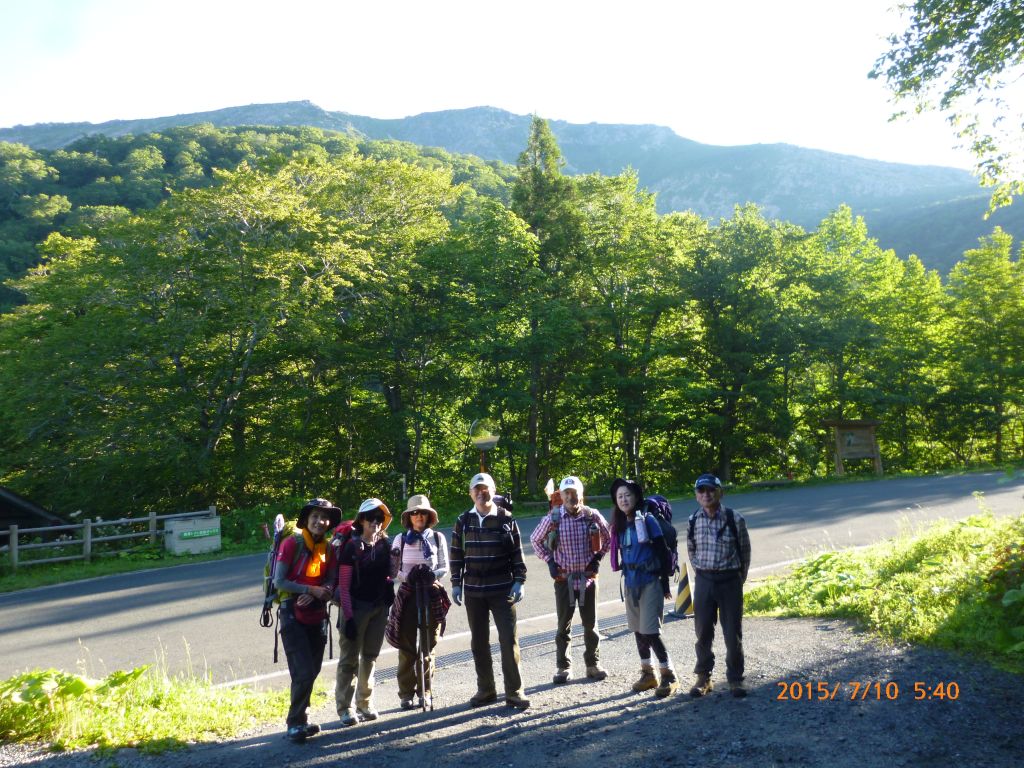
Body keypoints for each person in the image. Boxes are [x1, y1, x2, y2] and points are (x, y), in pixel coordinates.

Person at [449, 471, 531, 710]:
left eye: (486, 488)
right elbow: (456, 555)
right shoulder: (463, 521)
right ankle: (486, 689)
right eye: (477, 489)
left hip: (503, 589)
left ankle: (514, 692)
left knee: (508, 640)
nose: (481, 492)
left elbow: (517, 553)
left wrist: (520, 581)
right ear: (470, 493)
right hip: (474, 590)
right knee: (479, 643)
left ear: (493, 492)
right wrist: (456, 583)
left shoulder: (506, 519)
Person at [530, 475, 611, 684]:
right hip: (563, 579)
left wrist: (598, 558)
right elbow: (535, 540)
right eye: (566, 493)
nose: (570, 497)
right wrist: (549, 561)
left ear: (580, 495)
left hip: (588, 580)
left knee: (590, 625)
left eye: (574, 493)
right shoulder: (553, 518)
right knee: (563, 626)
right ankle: (563, 667)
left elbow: (609, 537)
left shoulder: (592, 516)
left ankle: (593, 665)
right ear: (561, 496)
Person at [274, 497, 341, 743]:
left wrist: (320, 592)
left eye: (324, 517)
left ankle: (302, 719)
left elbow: (332, 580)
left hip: (317, 612)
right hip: (292, 611)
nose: (320, 521)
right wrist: (309, 591)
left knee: (312, 670)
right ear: (306, 519)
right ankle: (294, 723)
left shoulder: (329, 548)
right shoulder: (292, 543)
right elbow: (279, 581)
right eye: (315, 516)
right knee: (302, 671)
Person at [608, 477, 679, 698]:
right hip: (630, 583)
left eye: (627, 495)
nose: (623, 499)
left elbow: (662, 550)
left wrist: (665, 583)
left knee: (651, 631)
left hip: (650, 582)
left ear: (636, 497)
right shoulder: (619, 525)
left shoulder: (647, 520)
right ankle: (648, 674)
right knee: (638, 631)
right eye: (619, 496)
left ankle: (669, 675)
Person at [687, 473, 752, 698]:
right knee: (703, 631)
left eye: (711, 490)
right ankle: (703, 677)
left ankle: (736, 679)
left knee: (732, 632)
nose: (707, 494)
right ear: (696, 496)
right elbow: (691, 549)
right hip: (704, 580)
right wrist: (702, 572)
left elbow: (745, 552)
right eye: (702, 491)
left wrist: (738, 578)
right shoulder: (693, 520)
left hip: (730, 580)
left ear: (720, 492)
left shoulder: (735, 519)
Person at [387, 493, 450, 709]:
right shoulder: (400, 539)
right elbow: (394, 570)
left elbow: (444, 566)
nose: (419, 516)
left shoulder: (438, 538)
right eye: (414, 513)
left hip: (431, 592)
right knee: (406, 647)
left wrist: (431, 575)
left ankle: (426, 691)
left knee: (428, 645)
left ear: (429, 516)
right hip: (407, 594)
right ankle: (406, 694)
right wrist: (409, 576)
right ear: (409, 517)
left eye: (423, 512)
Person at [335, 498, 394, 726]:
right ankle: (344, 708)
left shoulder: (385, 544)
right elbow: (345, 584)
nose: (375, 523)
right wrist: (348, 617)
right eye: (370, 518)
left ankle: (365, 703)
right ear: (361, 520)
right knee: (349, 660)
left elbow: (391, 574)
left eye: (379, 518)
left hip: (378, 608)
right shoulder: (351, 547)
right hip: (355, 609)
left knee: (369, 657)